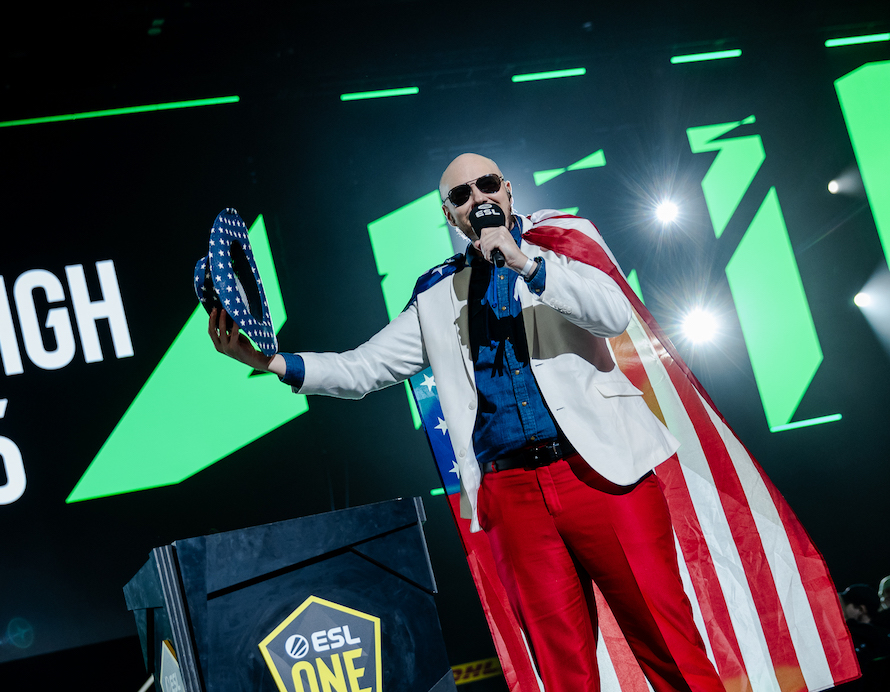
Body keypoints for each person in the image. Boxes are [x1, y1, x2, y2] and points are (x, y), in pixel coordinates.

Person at [207, 153, 724, 691]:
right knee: (562, 672)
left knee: (669, 643)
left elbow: (613, 316)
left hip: (600, 473)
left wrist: (526, 264)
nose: (477, 198)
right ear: (450, 216)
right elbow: (364, 368)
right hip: (512, 495)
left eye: (486, 184)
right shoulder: (437, 293)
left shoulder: (558, 247)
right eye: (461, 195)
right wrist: (271, 362)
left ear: (508, 190)